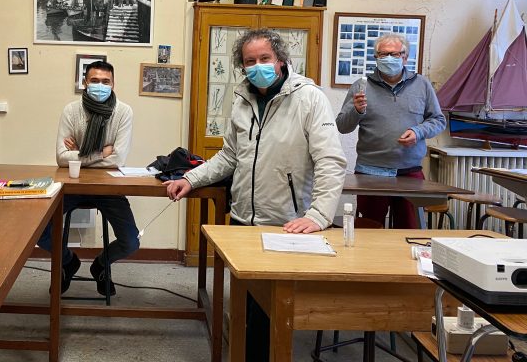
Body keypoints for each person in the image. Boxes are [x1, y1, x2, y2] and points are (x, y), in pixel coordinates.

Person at [165, 29, 346, 362]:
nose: (258, 66)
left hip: (285, 224)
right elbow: (229, 156)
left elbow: (331, 161)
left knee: (270, 314)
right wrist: (191, 178)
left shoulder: (310, 98)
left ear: (280, 60)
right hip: (242, 221)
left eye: (265, 58)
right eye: (250, 61)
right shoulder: (242, 100)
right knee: (244, 306)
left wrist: (318, 215)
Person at [37, 60, 138, 296]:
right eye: (94, 81)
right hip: (73, 184)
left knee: (131, 241)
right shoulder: (71, 111)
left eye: (105, 81)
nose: (100, 86)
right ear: (85, 83)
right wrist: (101, 152)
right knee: (39, 232)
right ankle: (68, 261)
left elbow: (118, 159)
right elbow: (61, 158)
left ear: (113, 84)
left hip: (109, 186)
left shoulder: (124, 112)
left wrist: (79, 154)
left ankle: (101, 264)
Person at [336, 33, 446, 228]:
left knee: (409, 230)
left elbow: (438, 120)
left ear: (405, 57)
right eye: (383, 54)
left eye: (394, 54)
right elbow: (342, 126)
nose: (388, 58)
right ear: (376, 57)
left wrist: (418, 132)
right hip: (370, 172)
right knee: (369, 230)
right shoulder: (361, 86)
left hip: (410, 171)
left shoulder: (422, 84)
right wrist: (357, 111)